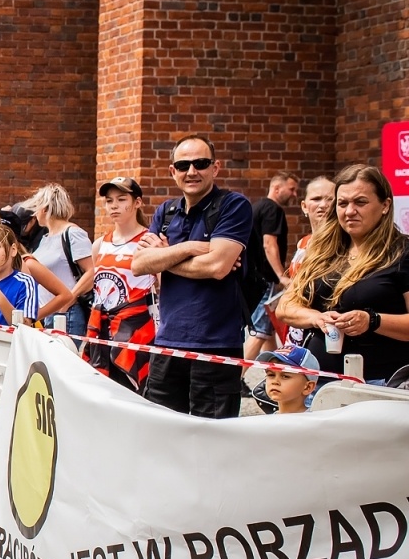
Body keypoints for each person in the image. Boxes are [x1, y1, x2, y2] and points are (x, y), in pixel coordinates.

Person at [133, 134, 254, 419]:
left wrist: (164, 257)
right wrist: (186, 248)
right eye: (184, 165)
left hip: (216, 345)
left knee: (212, 438)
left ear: (216, 167)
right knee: (160, 431)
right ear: (172, 171)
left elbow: (217, 267)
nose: (192, 171)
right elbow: (139, 264)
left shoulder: (233, 206)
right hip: (167, 341)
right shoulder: (166, 211)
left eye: (200, 163)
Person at [276, 164, 409, 384]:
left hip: (380, 385)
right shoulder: (322, 249)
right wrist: (317, 318)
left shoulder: (402, 252)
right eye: (342, 203)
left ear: (385, 205)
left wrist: (372, 320)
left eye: (360, 202)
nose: (349, 211)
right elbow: (285, 308)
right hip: (316, 383)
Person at [76, 177, 156, 393]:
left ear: (137, 202)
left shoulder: (148, 240)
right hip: (101, 328)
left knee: (134, 393)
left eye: (121, 199)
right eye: (109, 201)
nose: (114, 206)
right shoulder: (100, 244)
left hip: (135, 328)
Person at [275, 175, 337, 350]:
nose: (323, 205)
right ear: (304, 206)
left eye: (330, 199)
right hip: (297, 326)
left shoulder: (342, 244)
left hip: (325, 331)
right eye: (316, 199)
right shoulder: (303, 243)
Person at [23, 184, 93, 338]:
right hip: (47, 312)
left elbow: (92, 272)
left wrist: (70, 299)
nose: (34, 214)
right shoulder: (45, 238)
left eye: (37, 207)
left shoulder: (73, 233)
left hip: (67, 313)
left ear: (46, 208)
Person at [244, 172, 300, 363]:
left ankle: (275, 371)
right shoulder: (272, 209)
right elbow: (269, 243)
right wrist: (280, 275)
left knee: (267, 331)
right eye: (291, 189)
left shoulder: (257, 207)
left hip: (253, 276)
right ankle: (238, 377)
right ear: (277, 188)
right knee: (259, 331)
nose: (294, 194)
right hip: (264, 278)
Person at [255, 345, 318, 414]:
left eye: (285, 376)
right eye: (271, 375)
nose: (275, 382)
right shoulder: (268, 422)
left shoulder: (315, 422)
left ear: (308, 387)